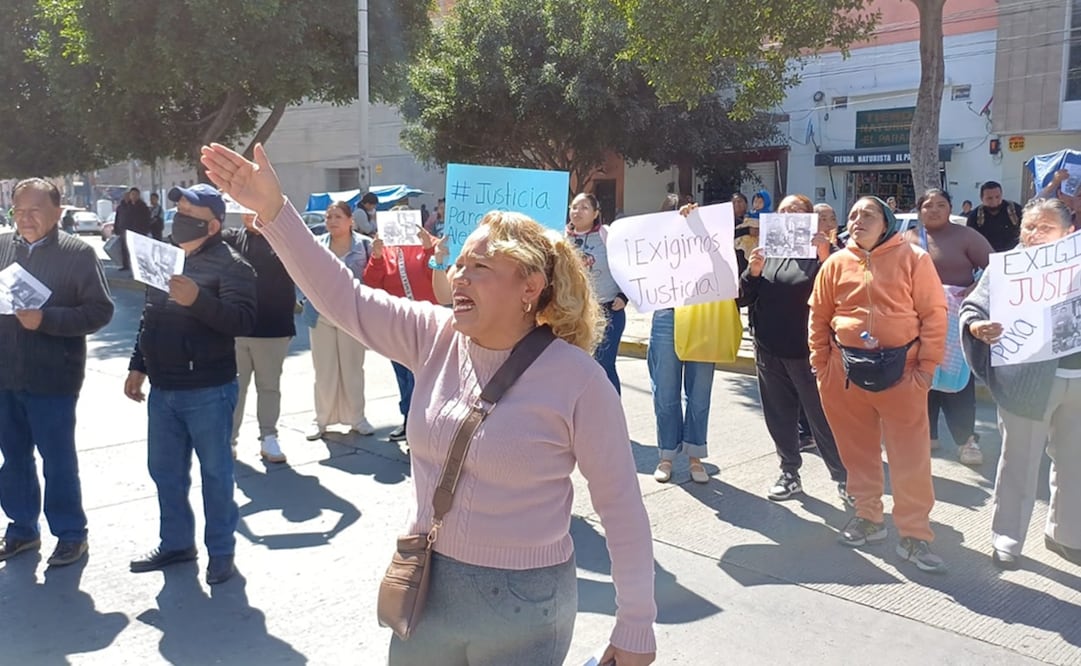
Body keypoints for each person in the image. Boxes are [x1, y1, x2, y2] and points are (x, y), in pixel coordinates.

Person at [201, 142, 658, 666]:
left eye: (479, 266)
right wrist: (275, 212)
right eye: (459, 263)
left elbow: (622, 508)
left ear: (530, 286)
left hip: (525, 607)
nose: (459, 275)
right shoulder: (432, 335)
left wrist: (636, 626)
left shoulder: (579, 380)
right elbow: (342, 297)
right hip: (425, 587)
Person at [124, 183, 256, 586]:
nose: (177, 220)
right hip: (163, 390)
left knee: (216, 476)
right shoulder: (165, 258)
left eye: (188, 215)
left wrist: (197, 299)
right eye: (176, 211)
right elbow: (151, 315)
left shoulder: (234, 266)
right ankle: (177, 544)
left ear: (213, 225)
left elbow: (243, 321)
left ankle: (221, 553)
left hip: (208, 390)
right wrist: (138, 364)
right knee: (165, 472)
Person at [809, 196, 948, 572]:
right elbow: (819, 317)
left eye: (867, 214)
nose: (857, 220)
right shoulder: (835, 263)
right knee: (857, 453)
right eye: (852, 215)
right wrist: (822, 367)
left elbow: (935, 315)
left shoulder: (914, 259)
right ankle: (868, 518)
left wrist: (925, 370)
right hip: (844, 375)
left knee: (910, 458)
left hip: (903, 373)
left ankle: (914, 534)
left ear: (885, 221)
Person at [960, 197, 1081, 570]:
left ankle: (1067, 534)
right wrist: (978, 328)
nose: (1034, 234)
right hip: (1027, 384)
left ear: (1069, 232)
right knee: (1019, 463)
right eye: (1029, 226)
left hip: (1077, 382)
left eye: (1045, 227)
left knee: (1075, 463)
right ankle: (1007, 539)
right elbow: (972, 308)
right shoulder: (1009, 267)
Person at [0, 178, 114, 567]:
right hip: (5, 376)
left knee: (57, 460)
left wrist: (46, 319)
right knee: (13, 459)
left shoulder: (77, 254)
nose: (25, 219)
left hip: (53, 378)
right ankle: (21, 529)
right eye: (19, 211)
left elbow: (100, 311)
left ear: (57, 212)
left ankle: (70, 534)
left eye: (35, 210)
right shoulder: (3, 246)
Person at [740, 194, 850, 504]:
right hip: (769, 346)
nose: (789, 215)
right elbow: (742, 297)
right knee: (779, 415)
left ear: (810, 218)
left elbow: (841, 293)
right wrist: (754, 271)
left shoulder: (829, 254)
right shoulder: (767, 252)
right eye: (784, 210)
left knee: (822, 417)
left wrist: (824, 254)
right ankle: (789, 472)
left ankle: (844, 478)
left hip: (810, 351)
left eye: (797, 211)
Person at [903, 189, 992, 465]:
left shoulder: (966, 236)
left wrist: (975, 289)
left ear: (950, 208)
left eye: (941, 205)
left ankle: (967, 441)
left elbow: (996, 268)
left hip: (956, 319)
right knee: (923, 376)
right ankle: (928, 435)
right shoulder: (909, 237)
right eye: (928, 205)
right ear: (920, 210)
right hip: (918, 318)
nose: (934, 210)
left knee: (960, 380)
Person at [650, 196, 714, 485]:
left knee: (699, 392)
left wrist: (702, 226)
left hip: (702, 316)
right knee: (665, 391)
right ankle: (666, 455)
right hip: (666, 315)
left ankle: (695, 456)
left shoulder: (708, 240)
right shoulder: (654, 243)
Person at [223, 211, 296, 464]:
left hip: (274, 329)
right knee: (234, 389)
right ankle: (228, 440)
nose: (250, 215)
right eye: (245, 210)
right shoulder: (231, 239)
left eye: (255, 209)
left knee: (269, 387)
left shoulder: (284, 240)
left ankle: (269, 437)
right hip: (236, 329)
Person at [300, 201, 375, 440]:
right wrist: (304, 300)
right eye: (328, 216)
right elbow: (301, 272)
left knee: (353, 369)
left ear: (351, 220)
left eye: (338, 216)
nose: (332, 221)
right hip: (321, 315)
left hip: (352, 315)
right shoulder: (315, 246)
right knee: (324, 370)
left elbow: (376, 275)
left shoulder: (366, 245)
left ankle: (358, 418)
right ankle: (321, 419)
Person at [362, 225, 443, 442]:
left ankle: (424, 424)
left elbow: (439, 277)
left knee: (424, 376)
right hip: (396, 324)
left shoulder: (431, 242)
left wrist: (428, 250)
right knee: (403, 375)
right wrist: (377, 258)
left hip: (428, 322)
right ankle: (408, 419)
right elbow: (370, 283)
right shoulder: (385, 250)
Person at [568, 192, 627, 393]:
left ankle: (611, 416)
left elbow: (626, 267)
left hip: (608, 310)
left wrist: (623, 296)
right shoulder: (561, 239)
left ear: (595, 213)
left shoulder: (607, 236)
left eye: (584, 207)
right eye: (574, 207)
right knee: (574, 367)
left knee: (603, 365)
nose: (577, 212)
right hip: (573, 312)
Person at [966, 181, 1024, 252]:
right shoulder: (974, 217)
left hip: (1013, 255)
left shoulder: (1015, 210)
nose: (994, 202)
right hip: (987, 257)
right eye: (989, 198)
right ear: (981, 198)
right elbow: (970, 242)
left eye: (997, 197)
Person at [115, 187, 152, 271]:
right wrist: (117, 229)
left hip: (139, 231)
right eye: (132, 194)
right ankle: (126, 265)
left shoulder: (143, 207)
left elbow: (147, 220)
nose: (133, 196)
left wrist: (145, 231)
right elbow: (120, 218)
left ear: (138, 195)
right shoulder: (126, 206)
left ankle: (139, 267)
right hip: (126, 231)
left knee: (138, 251)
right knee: (125, 249)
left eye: (135, 194)